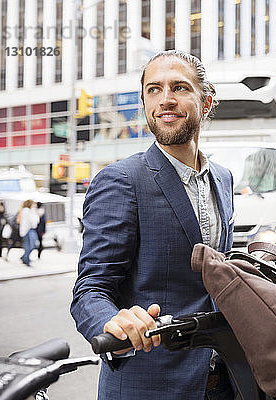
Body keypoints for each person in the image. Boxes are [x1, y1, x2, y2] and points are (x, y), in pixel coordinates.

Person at [70, 50, 234, 400]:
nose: (166, 100)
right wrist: (111, 322)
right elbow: (90, 289)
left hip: (226, 379)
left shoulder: (223, 179)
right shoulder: (121, 180)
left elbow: (220, 276)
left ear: (205, 103)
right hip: (151, 384)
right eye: (153, 90)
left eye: (179, 88)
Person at [17, 199, 39, 266]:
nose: (35, 205)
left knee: (31, 245)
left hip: (27, 230)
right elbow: (34, 222)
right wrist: (35, 212)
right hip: (28, 230)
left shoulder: (26, 210)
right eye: (33, 203)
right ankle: (26, 259)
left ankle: (25, 257)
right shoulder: (27, 210)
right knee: (30, 245)